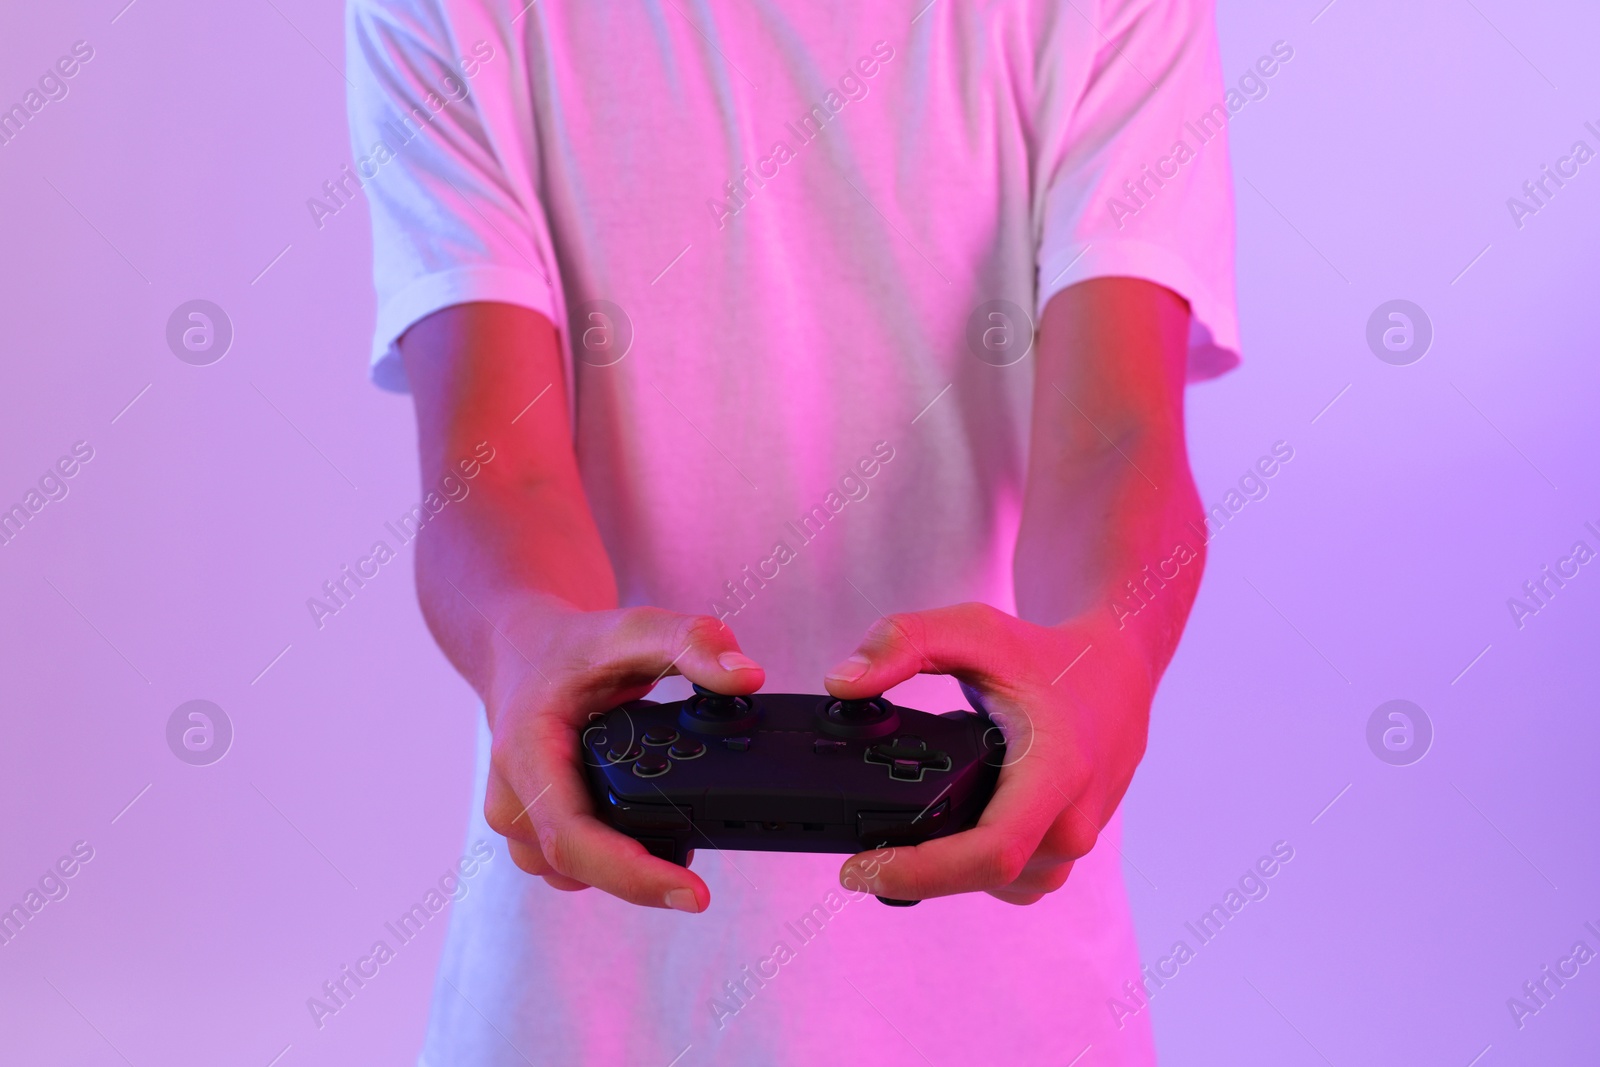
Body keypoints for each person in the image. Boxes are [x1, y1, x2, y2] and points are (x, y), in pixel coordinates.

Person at [346, 0, 1238, 1062]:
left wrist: (1104, 650)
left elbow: (1116, 433)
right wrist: (522, 637)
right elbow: (492, 465)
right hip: (577, 1001)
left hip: (1004, 994)